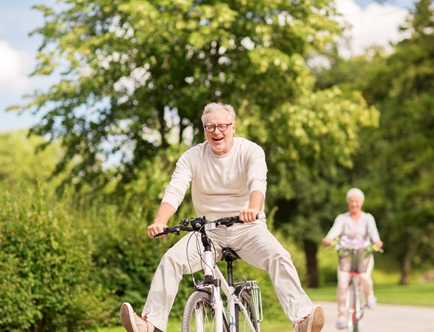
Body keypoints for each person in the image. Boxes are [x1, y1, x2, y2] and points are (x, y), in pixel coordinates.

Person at [120, 102, 325, 332]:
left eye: (222, 126)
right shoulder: (192, 156)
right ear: (204, 130)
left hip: (248, 228)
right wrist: (160, 221)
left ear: (233, 127)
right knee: (171, 261)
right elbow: (175, 189)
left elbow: (257, 181)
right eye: (210, 127)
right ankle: (151, 325)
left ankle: (302, 320)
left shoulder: (250, 151)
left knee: (278, 256)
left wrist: (253, 208)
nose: (216, 132)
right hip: (208, 232)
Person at [321, 188, 383, 330]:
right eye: (351, 201)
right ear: (348, 203)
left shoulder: (368, 218)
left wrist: (377, 242)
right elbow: (334, 231)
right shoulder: (342, 218)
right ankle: (342, 316)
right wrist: (328, 239)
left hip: (363, 256)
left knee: (365, 276)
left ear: (361, 203)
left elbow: (374, 234)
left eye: (357, 201)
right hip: (347, 257)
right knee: (342, 284)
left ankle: (370, 296)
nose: (354, 204)